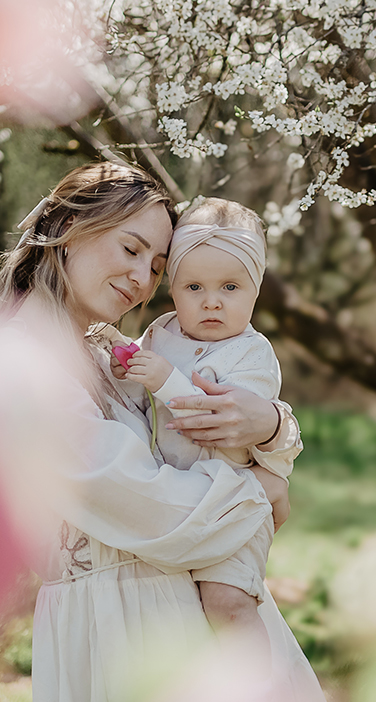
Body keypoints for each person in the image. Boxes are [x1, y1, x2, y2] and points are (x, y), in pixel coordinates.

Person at [0, 161, 351, 702]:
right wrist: (259, 486)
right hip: (121, 629)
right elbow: (158, 504)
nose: (142, 277)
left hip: (174, 616)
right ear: (64, 229)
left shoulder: (100, 349)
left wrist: (273, 428)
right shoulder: (22, 366)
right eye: (129, 248)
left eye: (157, 262)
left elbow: (203, 428)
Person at [111, 197, 288, 636]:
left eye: (230, 287)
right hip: (178, 504)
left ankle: (257, 694)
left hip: (230, 500)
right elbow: (141, 398)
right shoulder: (161, 332)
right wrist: (128, 371)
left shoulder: (252, 352)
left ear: (255, 289)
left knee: (228, 604)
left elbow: (225, 423)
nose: (212, 303)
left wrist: (166, 379)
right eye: (194, 288)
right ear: (173, 288)